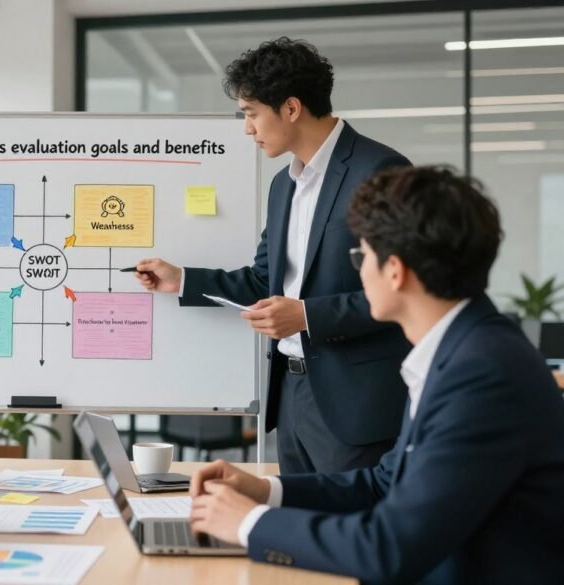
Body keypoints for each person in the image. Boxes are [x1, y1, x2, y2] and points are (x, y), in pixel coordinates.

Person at [187, 167, 564, 584]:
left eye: (360, 256)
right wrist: (267, 493)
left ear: (396, 272)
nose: (359, 271)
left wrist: (248, 523)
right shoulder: (460, 349)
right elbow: (384, 484)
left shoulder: (482, 373)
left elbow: (388, 547)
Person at [136, 37, 411, 473]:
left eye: (251, 113)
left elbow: (404, 295)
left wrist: (306, 316)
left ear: (291, 108)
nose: (247, 128)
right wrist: (181, 279)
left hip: (356, 406)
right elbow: (265, 282)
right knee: (297, 529)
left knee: (347, 534)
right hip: (292, 397)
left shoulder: (380, 172)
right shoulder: (284, 185)